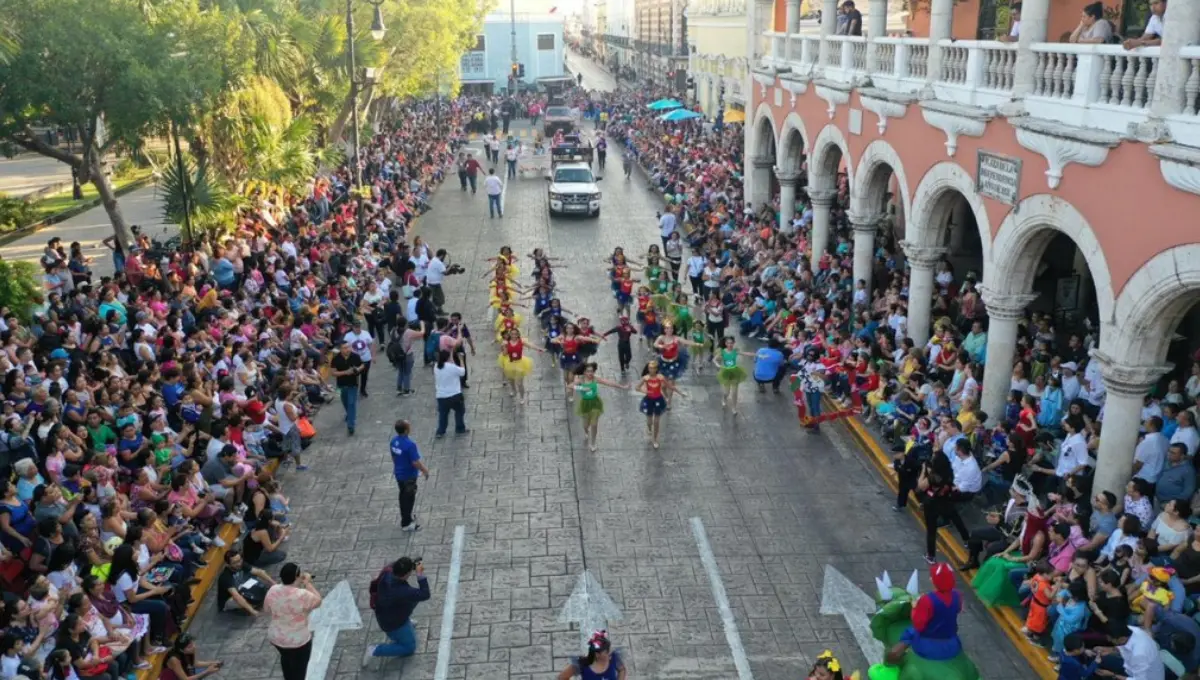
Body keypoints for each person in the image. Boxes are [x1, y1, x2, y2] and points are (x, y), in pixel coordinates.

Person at [364, 557, 430, 663]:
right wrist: (420, 572)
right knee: (409, 647)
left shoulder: (388, 571)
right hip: (394, 624)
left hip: (385, 612)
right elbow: (425, 594)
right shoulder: (402, 591)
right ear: (405, 575)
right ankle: (375, 650)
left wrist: (412, 564)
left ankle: (407, 623)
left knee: (408, 601)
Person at [264, 563, 323, 680]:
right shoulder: (302, 594)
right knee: (301, 667)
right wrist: (307, 583)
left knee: (286, 658)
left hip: (277, 637)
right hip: (298, 640)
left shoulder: (273, 589)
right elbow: (318, 601)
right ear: (297, 577)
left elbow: (266, 610)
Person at [390, 420, 429, 533]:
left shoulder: (394, 441)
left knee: (403, 496)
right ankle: (406, 523)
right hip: (408, 476)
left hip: (399, 474)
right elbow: (415, 462)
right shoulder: (410, 445)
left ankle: (406, 518)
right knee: (408, 499)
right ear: (406, 430)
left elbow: (393, 457)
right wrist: (424, 470)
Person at [217, 550, 275, 615]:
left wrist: (274, 584)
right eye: (235, 562)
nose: (239, 563)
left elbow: (259, 572)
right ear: (228, 564)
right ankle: (247, 608)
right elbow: (236, 596)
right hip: (229, 598)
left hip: (240, 588)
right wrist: (253, 611)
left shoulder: (241, 564)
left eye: (240, 560)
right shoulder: (225, 577)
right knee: (240, 599)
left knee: (257, 580)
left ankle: (249, 604)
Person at [556, 629, 625, 680]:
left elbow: (622, 670)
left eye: (610, 649)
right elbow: (562, 677)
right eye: (607, 652)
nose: (610, 653)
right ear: (597, 654)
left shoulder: (613, 657)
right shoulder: (582, 664)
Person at [331, 340, 364, 436]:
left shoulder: (355, 356)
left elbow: (362, 365)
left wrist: (357, 369)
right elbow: (333, 373)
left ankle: (351, 425)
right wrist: (345, 372)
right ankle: (349, 415)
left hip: (353, 384)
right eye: (345, 348)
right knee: (345, 402)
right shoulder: (336, 359)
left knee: (351, 403)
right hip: (341, 385)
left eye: (348, 347)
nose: (347, 349)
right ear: (340, 349)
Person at [433, 350, 469, 438]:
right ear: (448, 358)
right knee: (460, 411)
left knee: (443, 415)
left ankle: (440, 431)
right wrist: (461, 360)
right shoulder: (452, 367)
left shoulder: (436, 367)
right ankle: (460, 428)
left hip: (441, 396)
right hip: (455, 395)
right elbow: (462, 372)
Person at [342, 317, 375, 398]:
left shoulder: (365, 333)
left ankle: (362, 390)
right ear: (352, 327)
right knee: (353, 375)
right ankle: (354, 390)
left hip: (366, 358)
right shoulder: (348, 336)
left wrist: (373, 356)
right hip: (354, 360)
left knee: (364, 375)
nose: (358, 328)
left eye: (359, 326)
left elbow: (371, 344)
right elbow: (344, 347)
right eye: (356, 327)